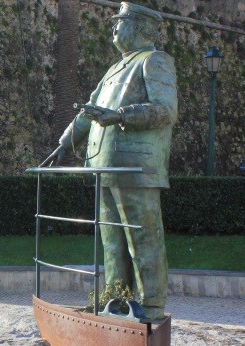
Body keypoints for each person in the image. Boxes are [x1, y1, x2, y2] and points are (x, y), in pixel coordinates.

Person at [44, 2, 178, 320]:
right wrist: (65, 142)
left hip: (135, 168)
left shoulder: (154, 60)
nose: (113, 28)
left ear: (139, 28)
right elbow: (89, 110)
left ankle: (151, 305)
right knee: (112, 242)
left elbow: (166, 110)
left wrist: (120, 115)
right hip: (105, 167)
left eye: (120, 22)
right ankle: (115, 299)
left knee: (143, 238)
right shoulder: (116, 68)